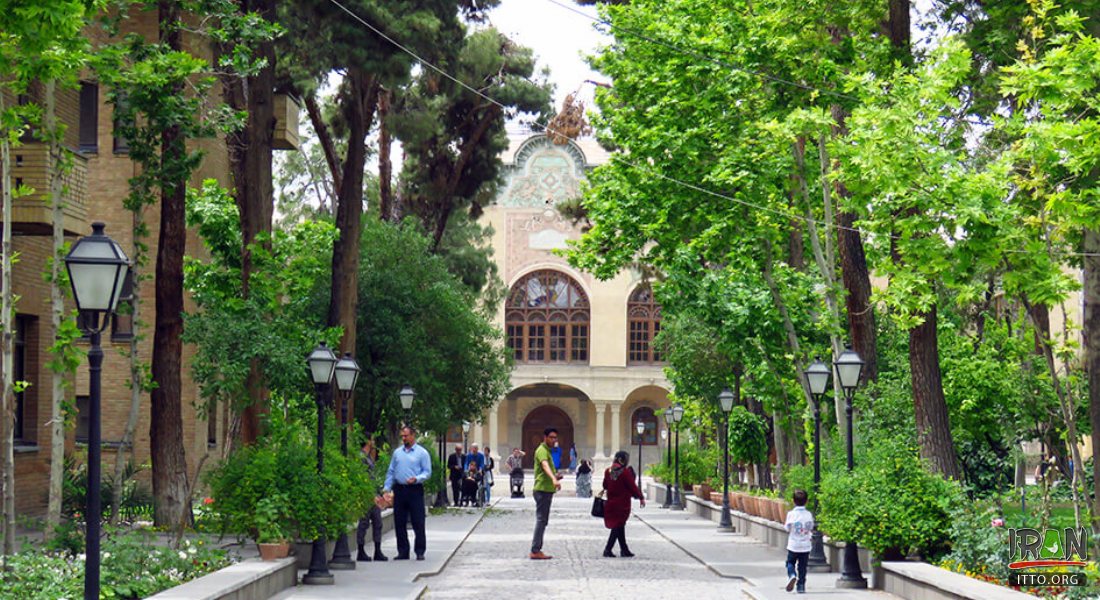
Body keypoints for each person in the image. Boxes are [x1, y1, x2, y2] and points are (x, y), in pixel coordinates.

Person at [382, 426, 432, 560]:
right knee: (399, 521)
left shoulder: (422, 453)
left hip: (415, 489)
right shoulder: (397, 453)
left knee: (418, 521)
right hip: (400, 489)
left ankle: (420, 550)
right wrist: (387, 488)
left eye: (405, 436)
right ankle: (403, 551)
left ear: (412, 436)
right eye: (402, 436)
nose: (403, 438)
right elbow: (391, 471)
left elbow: (427, 472)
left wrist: (417, 478)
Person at [602, 451, 645, 557]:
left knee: (620, 525)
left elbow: (605, 484)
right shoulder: (625, 472)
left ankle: (624, 549)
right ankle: (608, 549)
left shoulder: (608, 471)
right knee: (617, 526)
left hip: (611, 503)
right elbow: (632, 486)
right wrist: (641, 497)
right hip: (622, 504)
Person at [530, 427, 563, 560]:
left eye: (555, 437)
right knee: (541, 520)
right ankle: (535, 550)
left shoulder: (548, 451)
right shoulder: (542, 450)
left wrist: (555, 476)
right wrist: (554, 479)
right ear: (545, 437)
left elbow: (546, 469)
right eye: (551, 437)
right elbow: (544, 466)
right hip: (542, 489)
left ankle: (537, 548)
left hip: (547, 489)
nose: (554, 440)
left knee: (543, 521)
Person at [356, 440, 388, 562]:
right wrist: (369, 494)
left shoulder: (369, 456)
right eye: (373, 440)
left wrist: (379, 494)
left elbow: (372, 478)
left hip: (374, 494)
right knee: (364, 523)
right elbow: (364, 478)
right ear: (368, 441)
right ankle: (360, 550)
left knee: (378, 522)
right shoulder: (361, 457)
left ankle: (377, 550)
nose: (374, 442)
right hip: (367, 496)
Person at [784, 489, 814, 593]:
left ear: (793, 501)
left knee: (790, 562)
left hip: (793, 544)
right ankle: (801, 586)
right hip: (805, 545)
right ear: (806, 501)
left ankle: (792, 575)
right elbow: (811, 527)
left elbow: (787, 528)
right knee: (802, 566)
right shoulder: (808, 514)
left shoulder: (791, 514)